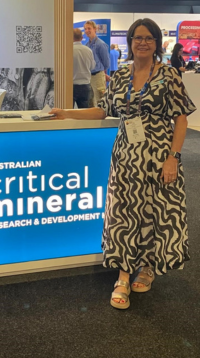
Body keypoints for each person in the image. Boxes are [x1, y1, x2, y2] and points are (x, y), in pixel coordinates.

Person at [49, 18, 196, 310]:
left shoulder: (169, 75)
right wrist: (66, 112)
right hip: (126, 156)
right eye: (137, 37)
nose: (143, 42)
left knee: (153, 213)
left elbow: (181, 119)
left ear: (156, 44)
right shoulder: (119, 76)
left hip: (158, 155)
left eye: (149, 38)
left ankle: (148, 267)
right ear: (130, 42)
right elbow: (104, 110)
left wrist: (173, 158)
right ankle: (123, 276)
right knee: (123, 214)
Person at [84, 21, 110, 107]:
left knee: (100, 99)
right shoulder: (87, 45)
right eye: (85, 29)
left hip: (98, 76)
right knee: (91, 100)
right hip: (89, 77)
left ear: (95, 29)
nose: (87, 30)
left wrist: (101, 72)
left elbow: (106, 63)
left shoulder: (100, 44)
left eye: (89, 28)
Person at [73, 28, 95, 108]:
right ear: (82, 38)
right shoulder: (88, 50)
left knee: (68, 112)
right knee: (84, 113)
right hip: (85, 85)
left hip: (72, 85)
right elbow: (92, 67)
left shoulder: (68, 50)